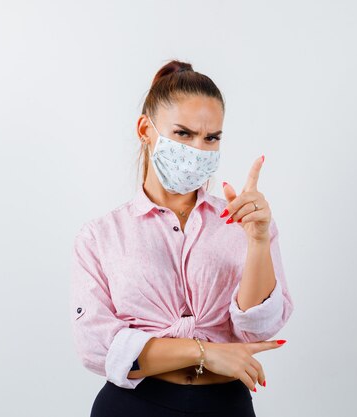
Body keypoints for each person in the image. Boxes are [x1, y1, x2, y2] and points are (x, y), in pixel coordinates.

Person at [70, 59, 294, 417]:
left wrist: (258, 241)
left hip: (225, 406)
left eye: (211, 138)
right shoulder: (101, 236)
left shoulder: (245, 221)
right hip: (132, 406)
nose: (198, 150)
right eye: (183, 134)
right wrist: (204, 351)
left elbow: (258, 331)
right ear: (145, 129)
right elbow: (98, 348)